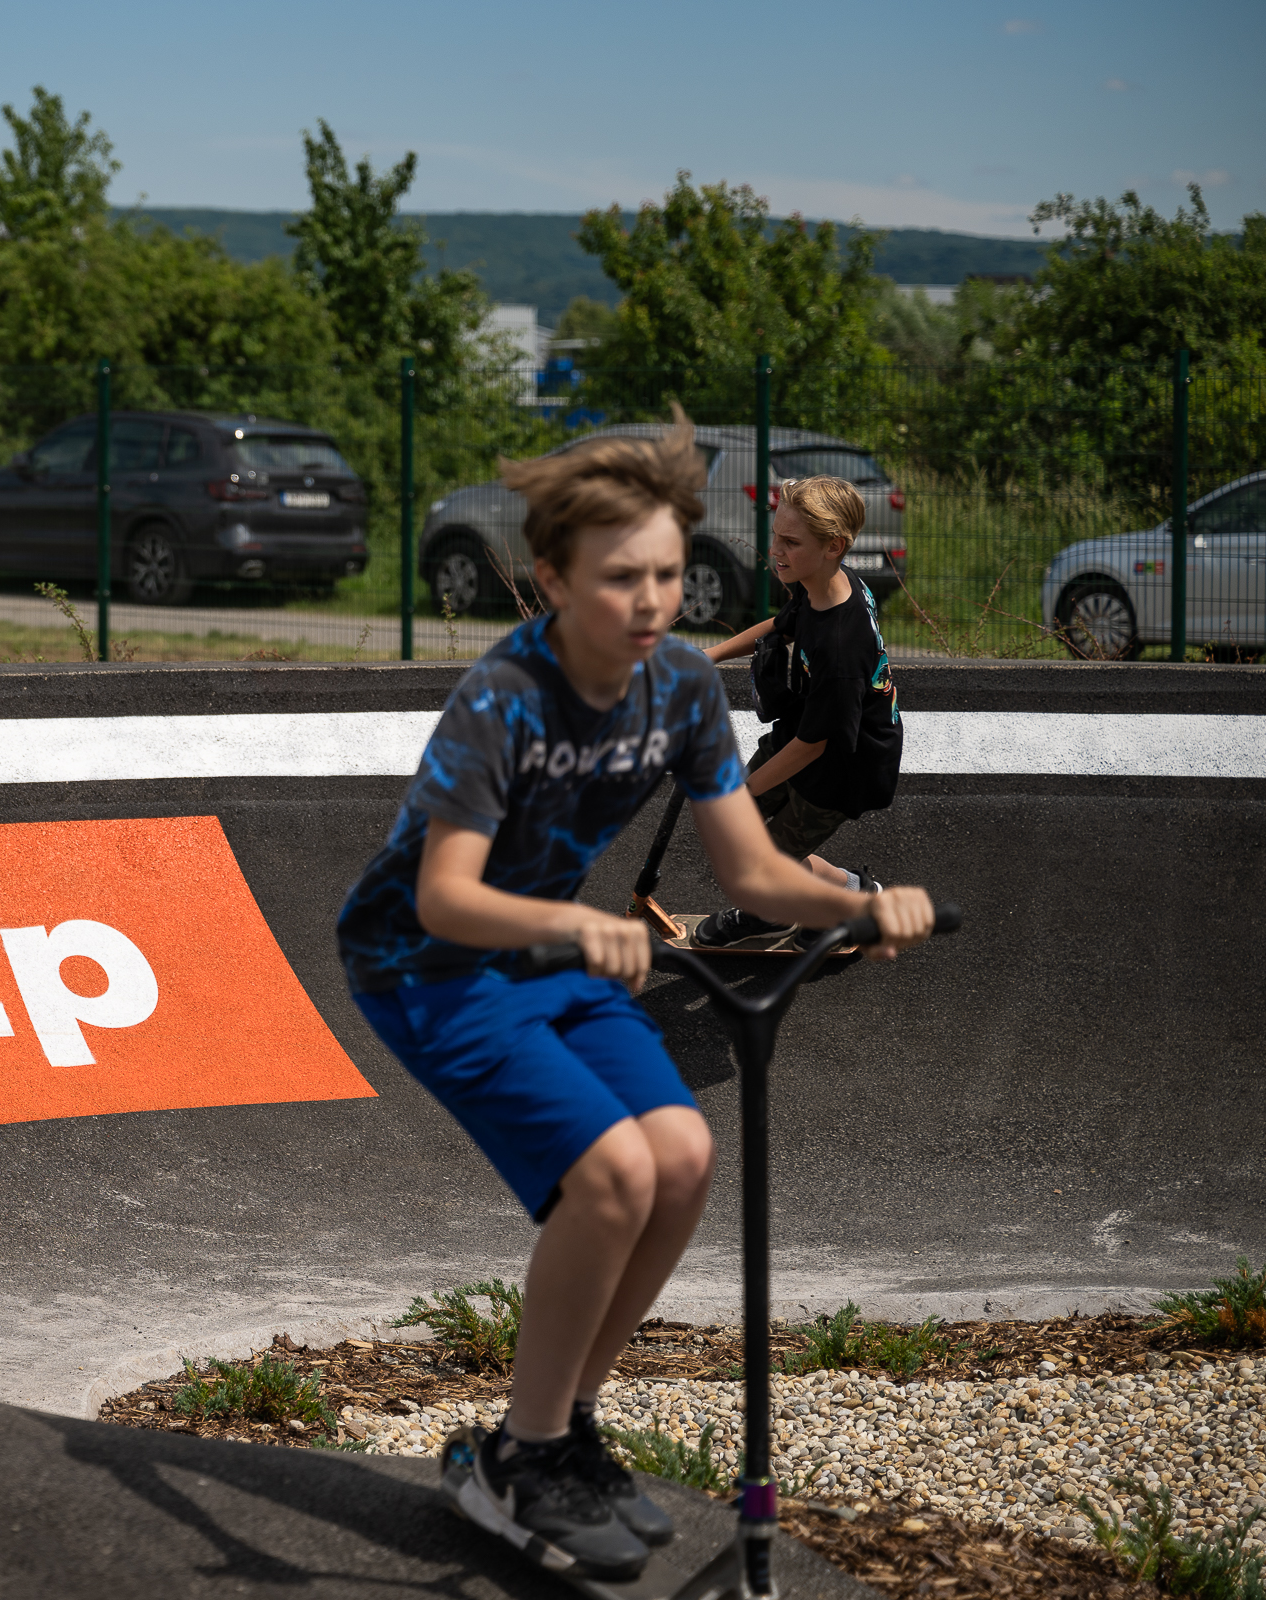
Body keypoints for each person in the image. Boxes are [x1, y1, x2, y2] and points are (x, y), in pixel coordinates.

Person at [334, 419, 934, 1582]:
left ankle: (555, 1433)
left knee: (681, 1157)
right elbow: (445, 894)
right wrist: (572, 926)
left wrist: (856, 907)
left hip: (550, 946)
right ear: (555, 580)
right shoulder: (506, 695)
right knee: (611, 1175)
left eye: (666, 573)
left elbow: (751, 870)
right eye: (620, 578)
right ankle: (525, 1453)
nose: (652, 600)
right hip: (427, 958)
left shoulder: (679, 688)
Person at [690, 476, 904, 950]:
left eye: (790, 542)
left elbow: (815, 745)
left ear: (834, 546)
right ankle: (851, 890)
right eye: (775, 536)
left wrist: (747, 789)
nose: (776, 551)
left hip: (842, 767)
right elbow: (782, 625)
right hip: (804, 732)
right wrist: (711, 655)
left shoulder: (842, 647)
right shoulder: (820, 583)